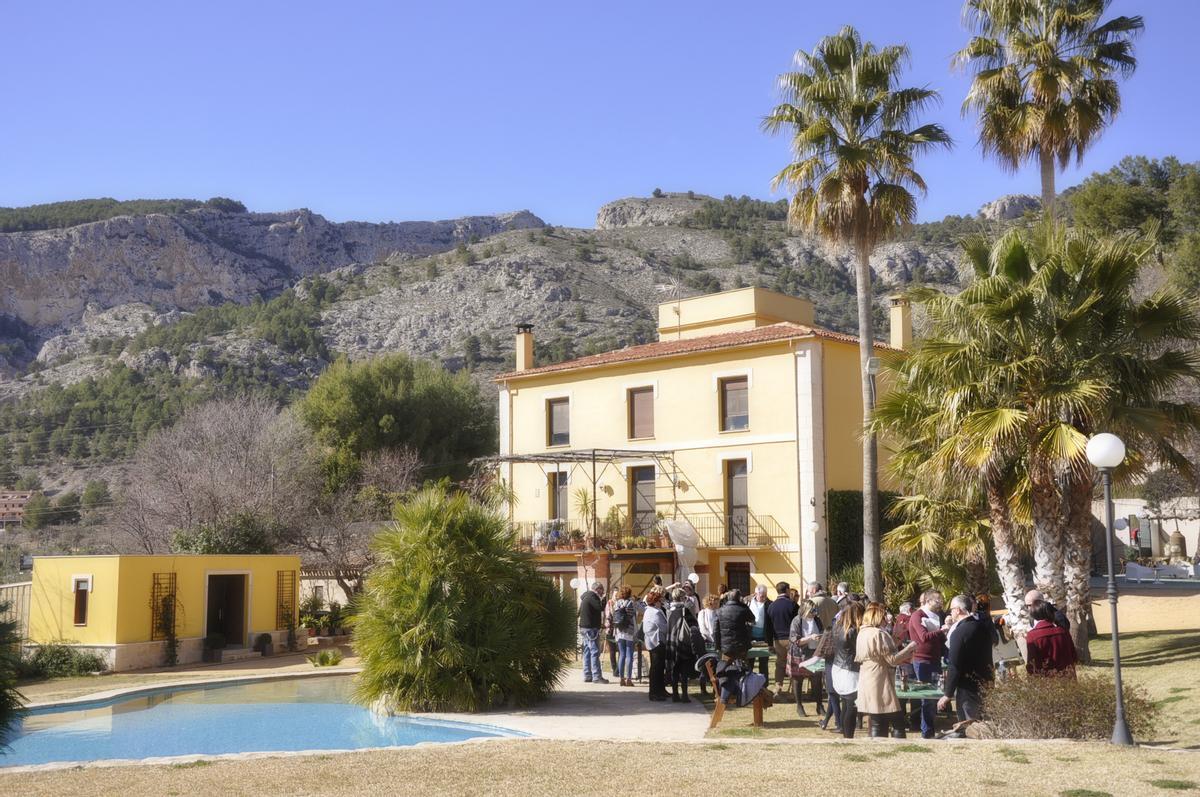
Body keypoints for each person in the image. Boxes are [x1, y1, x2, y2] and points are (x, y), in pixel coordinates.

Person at [856, 601, 917, 738]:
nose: (886, 620)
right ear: (877, 617)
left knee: (877, 718)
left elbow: (879, 653)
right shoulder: (879, 634)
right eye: (883, 617)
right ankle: (896, 747)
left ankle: (878, 745)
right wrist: (910, 648)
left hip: (867, 676)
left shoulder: (863, 632)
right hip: (879, 677)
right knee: (897, 720)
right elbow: (892, 659)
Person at [938, 595, 994, 733]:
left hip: (967, 687)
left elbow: (954, 665)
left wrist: (947, 694)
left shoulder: (959, 632)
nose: (950, 613)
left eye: (951, 609)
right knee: (984, 723)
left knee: (970, 726)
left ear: (958, 610)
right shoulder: (983, 627)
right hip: (986, 681)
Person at [908, 589, 946, 738]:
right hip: (922, 660)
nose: (940, 604)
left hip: (935, 659)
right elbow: (923, 637)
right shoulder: (918, 615)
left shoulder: (937, 616)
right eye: (937, 601)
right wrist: (941, 631)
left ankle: (930, 728)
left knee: (934, 695)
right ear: (928, 601)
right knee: (927, 697)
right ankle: (927, 732)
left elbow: (939, 638)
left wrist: (945, 632)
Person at [831, 601, 863, 738]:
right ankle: (848, 736)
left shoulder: (837, 627)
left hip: (838, 667)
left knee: (846, 703)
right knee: (851, 705)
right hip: (850, 670)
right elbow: (860, 651)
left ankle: (846, 735)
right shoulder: (853, 631)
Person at [666, 588, 701, 702]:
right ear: (682, 597)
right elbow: (694, 626)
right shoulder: (685, 611)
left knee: (674, 668)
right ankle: (685, 695)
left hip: (672, 642)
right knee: (684, 669)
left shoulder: (668, 610)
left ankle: (675, 694)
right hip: (684, 643)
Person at [1025, 602, 1078, 677]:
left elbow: (1032, 663)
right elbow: (1074, 656)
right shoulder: (1063, 631)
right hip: (1068, 677)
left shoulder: (1032, 636)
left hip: (1048, 680)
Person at [766, 581, 798, 701]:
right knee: (794, 664)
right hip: (791, 639)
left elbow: (767, 627)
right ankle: (795, 691)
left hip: (778, 640)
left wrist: (769, 643)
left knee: (780, 664)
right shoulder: (793, 605)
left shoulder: (771, 606)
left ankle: (778, 688)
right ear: (788, 590)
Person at [579, 581, 609, 684]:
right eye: (602, 590)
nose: (603, 592)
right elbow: (600, 608)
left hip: (584, 628)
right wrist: (604, 599)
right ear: (598, 589)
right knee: (595, 652)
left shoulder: (585, 597)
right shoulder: (592, 596)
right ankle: (597, 677)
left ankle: (587, 675)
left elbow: (581, 613)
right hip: (590, 629)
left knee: (587, 652)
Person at [610, 586, 640, 687]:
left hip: (619, 631)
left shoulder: (617, 603)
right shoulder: (630, 603)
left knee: (621, 655)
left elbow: (614, 614)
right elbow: (632, 616)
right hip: (629, 630)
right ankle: (629, 679)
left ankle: (621, 678)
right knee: (629, 655)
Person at [642, 591, 669, 701]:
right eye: (659, 600)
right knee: (656, 668)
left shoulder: (648, 610)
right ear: (656, 601)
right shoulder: (655, 612)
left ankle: (661, 690)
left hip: (652, 642)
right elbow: (664, 627)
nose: (661, 602)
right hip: (657, 642)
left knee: (658, 667)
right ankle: (654, 693)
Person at [713, 589, 754, 660]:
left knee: (725, 667)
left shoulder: (720, 610)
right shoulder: (743, 609)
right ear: (739, 598)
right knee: (742, 668)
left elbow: (716, 630)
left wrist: (717, 646)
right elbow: (752, 619)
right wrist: (744, 605)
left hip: (726, 647)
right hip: (742, 645)